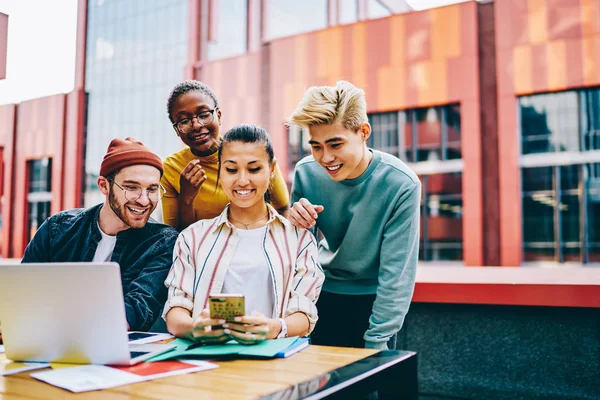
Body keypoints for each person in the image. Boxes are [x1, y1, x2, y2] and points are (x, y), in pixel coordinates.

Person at [287, 81, 421, 350]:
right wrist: (294, 224)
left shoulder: (402, 184)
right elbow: (299, 256)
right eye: (316, 146)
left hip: (374, 304)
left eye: (335, 144)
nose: (325, 158)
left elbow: (397, 276)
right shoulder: (306, 172)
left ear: (363, 132)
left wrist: (377, 340)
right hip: (319, 298)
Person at [163, 124, 324, 344]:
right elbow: (175, 309)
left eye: (254, 169)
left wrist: (273, 328)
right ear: (220, 170)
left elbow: (304, 313)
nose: (242, 180)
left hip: (275, 364)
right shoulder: (192, 237)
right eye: (231, 170)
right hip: (207, 363)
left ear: (272, 169)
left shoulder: (299, 239)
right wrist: (193, 329)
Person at [20, 138, 178, 332]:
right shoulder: (58, 228)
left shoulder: (162, 242)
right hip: (41, 340)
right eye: (131, 187)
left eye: (152, 189)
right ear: (104, 186)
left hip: (114, 350)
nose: (144, 201)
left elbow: (138, 309)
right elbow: (23, 291)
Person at [162, 80, 290, 231]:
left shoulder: (251, 150)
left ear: (219, 115)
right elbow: (176, 236)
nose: (196, 125)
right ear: (177, 130)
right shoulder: (171, 169)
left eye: (203, 115)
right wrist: (186, 198)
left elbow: (282, 207)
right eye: (184, 121)